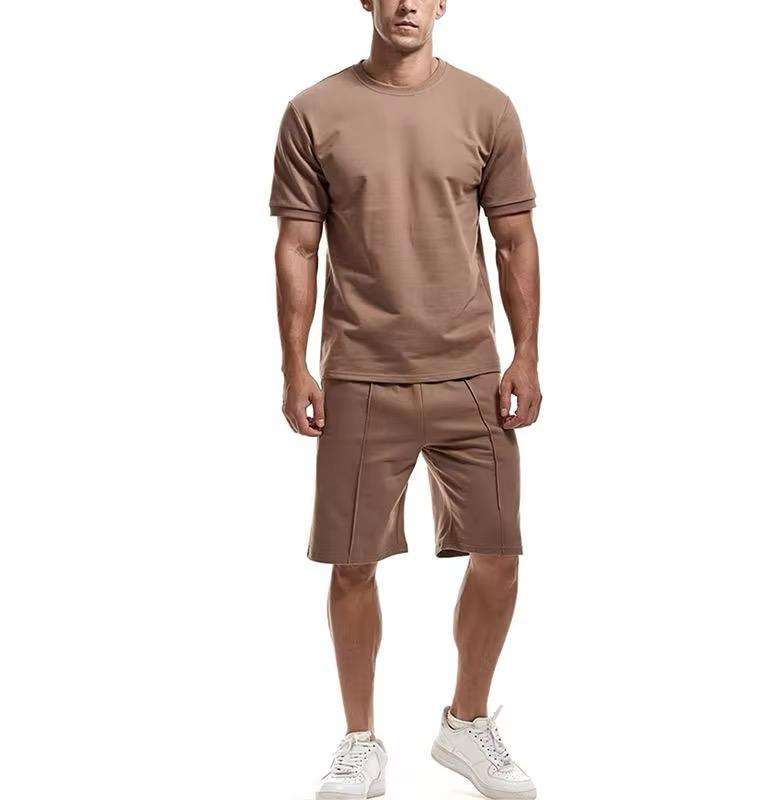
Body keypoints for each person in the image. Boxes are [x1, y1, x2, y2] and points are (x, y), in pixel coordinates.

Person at [270, 2, 542, 798]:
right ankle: (360, 743)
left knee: (499, 554)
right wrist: (294, 365)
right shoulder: (314, 111)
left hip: (470, 376)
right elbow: (297, 245)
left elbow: (515, 239)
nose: (406, 4)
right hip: (360, 374)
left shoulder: (488, 108)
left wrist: (525, 355)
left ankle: (466, 725)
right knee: (352, 565)